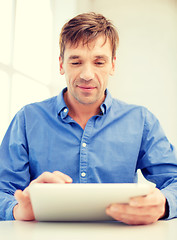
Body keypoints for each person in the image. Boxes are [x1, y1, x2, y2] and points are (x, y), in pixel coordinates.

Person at [0, 12, 177, 225]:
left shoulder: (142, 121)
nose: (87, 74)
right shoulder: (27, 119)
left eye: (99, 62)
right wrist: (19, 209)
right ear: (61, 64)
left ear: (112, 64)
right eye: (76, 62)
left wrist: (164, 203)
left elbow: (173, 181)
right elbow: (3, 190)